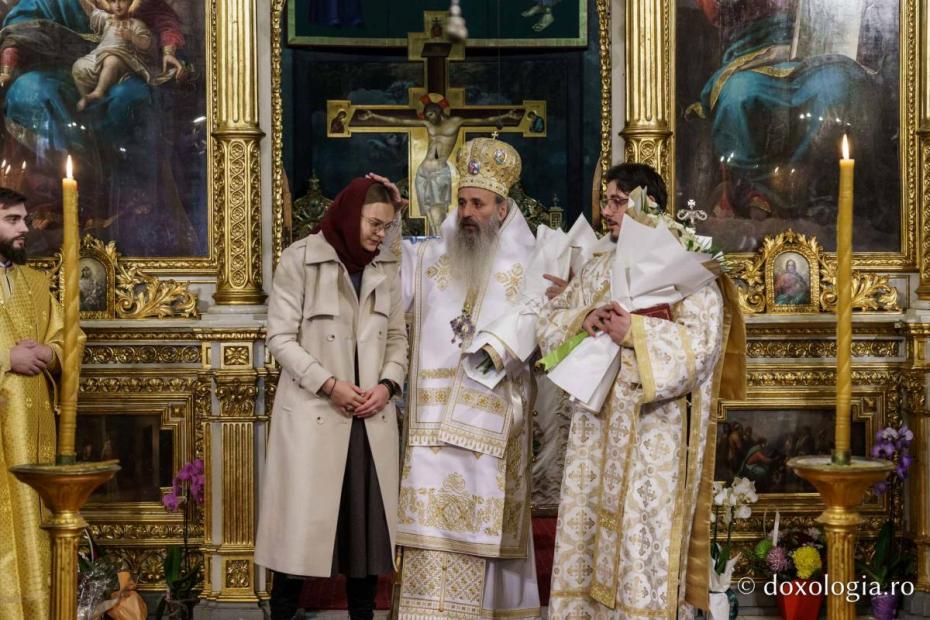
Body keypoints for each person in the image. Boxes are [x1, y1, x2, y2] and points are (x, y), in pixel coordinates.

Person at [537, 163, 744, 619]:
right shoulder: (597, 266)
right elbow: (550, 324)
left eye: (617, 201)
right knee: (589, 533)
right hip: (595, 429)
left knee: (640, 539)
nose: (607, 211)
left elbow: (702, 345)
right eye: (606, 201)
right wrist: (583, 319)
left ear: (647, 205)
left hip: (654, 431)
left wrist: (636, 333)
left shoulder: (685, 264)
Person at [374, 136, 541, 619]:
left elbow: (542, 316)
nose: (467, 212)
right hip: (430, 430)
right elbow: (391, 281)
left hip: (489, 427)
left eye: (478, 204)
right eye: (462, 202)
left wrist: (496, 351)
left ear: (502, 208)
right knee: (428, 533)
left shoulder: (530, 261)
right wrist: (391, 222)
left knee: (483, 536)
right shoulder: (431, 255)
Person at [255, 178, 408, 620]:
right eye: (374, 223)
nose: (380, 234)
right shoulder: (300, 258)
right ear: (349, 214)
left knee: (366, 539)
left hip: (369, 418)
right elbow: (280, 338)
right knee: (298, 533)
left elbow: (398, 338)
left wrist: (386, 386)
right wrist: (329, 384)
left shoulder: (385, 267)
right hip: (315, 415)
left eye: (387, 226)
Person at [0, 187, 69, 618]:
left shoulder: (36, 282)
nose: (24, 228)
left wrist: (51, 353)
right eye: (12, 220)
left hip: (34, 433)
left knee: (32, 519)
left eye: (24, 219)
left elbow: (67, 336)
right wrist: (6, 358)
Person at [357, 99, 521, 233]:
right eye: (426, 115)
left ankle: (440, 239)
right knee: (429, 210)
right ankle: (435, 241)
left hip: (439, 171)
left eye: (430, 114)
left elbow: (480, 120)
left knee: (439, 209)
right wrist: (374, 115)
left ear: (438, 111)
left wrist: (505, 115)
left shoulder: (455, 122)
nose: (428, 118)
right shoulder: (429, 124)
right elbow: (400, 121)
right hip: (423, 170)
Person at [72, 0, 154, 112]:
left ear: (130, 2)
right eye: (113, 1)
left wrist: (132, 37)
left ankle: (98, 92)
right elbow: (90, 10)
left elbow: (146, 43)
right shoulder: (107, 19)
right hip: (99, 55)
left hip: (123, 57)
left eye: (122, 1)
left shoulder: (135, 24)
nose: (118, 6)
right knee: (79, 65)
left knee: (111, 60)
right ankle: (86, 98)